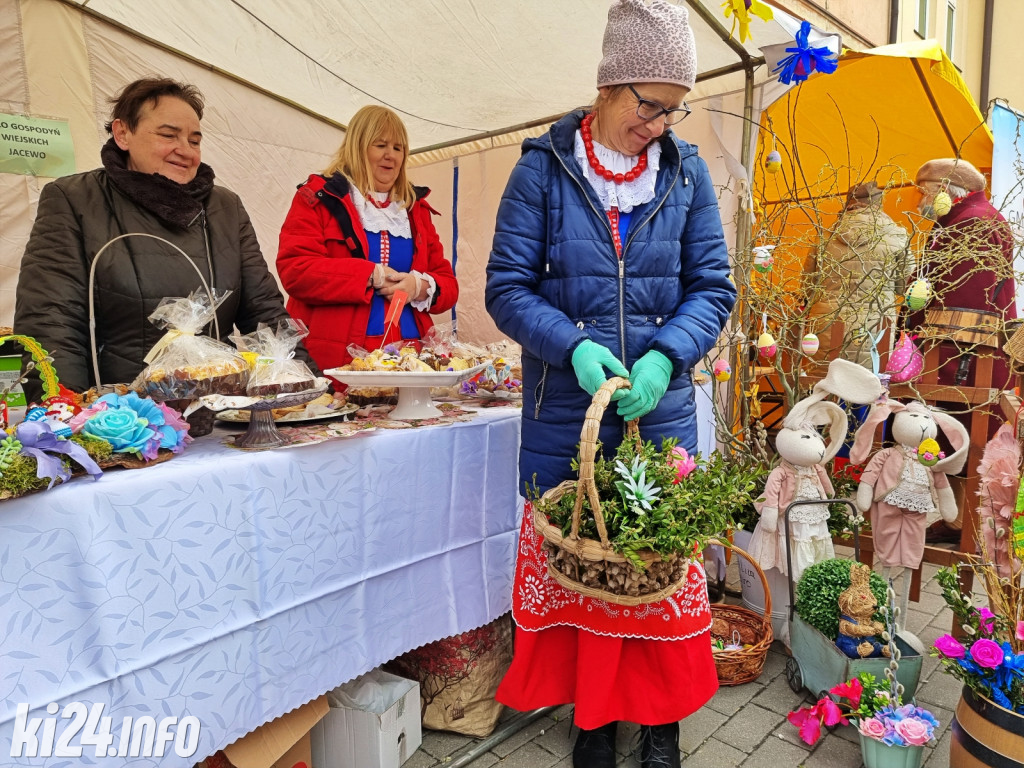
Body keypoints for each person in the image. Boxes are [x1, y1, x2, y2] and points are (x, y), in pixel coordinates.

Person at [484, 2, 736, 767]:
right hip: (569, 410)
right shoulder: (542, 169)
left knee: (655, 570)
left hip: (658, 419)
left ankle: (660, 727)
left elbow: (714, 288)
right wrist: (572, 347)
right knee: (587, 567)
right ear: (608, 86)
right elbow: (506, 288)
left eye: (673, 106)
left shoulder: (685, 175)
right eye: (648, 104)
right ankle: (592, 721)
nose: (660, 122)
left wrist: (667, 356)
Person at [14, 77, 308, 403]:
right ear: (123, 133)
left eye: (194, 141)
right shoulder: (74, 199)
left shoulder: (225, 208)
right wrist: (69, 416)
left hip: (218, 414)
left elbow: (264, 314)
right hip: (123, 421)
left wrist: (306, 389)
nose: (184, 150)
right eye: (168, 135)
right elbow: (52, 321)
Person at [276, 105, 458, 372]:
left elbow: (449, 285)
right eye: (380, 145)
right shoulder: (318, 199)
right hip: (338, 359)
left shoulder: (414, 209)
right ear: (358, 147)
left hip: (412, 358)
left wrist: (417, 286)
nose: (390, 156)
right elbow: (296, 270)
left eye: (398, 148)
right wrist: (369, 274)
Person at [911, 158, 1018, 543]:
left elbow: (958, 291)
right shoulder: (964, 217)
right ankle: (958, 522)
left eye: (925, 190)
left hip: (967, 353)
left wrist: (916, 308)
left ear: (945, 189)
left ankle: (967, 526)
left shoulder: (976, 222)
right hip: (959, 350)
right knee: (951, 431)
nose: (921, 199)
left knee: (964, 432)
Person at [810, 181, 910, 369]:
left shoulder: (825, 235)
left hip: (828, 324)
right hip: (876, 327)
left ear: (848, 203)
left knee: (826, 386)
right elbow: (904, 287)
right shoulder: (897, 235)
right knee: (872, 389)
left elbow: (808, 286)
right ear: (878, 205)